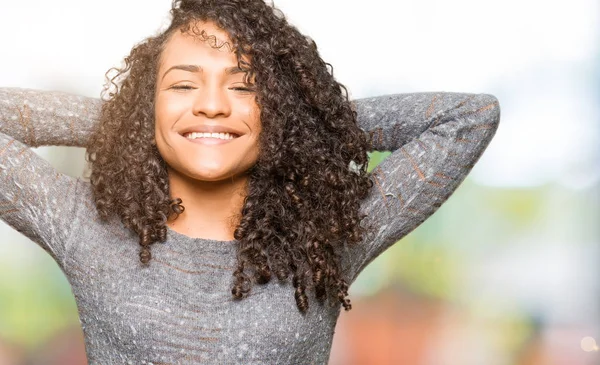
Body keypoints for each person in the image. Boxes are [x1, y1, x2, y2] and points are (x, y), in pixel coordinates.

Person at [0, 0, 501, 363]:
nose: (213, 104)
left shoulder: (324, 236)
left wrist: (305, 117)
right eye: (182, 84)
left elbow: (468, 118)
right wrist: (138, 120)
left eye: (244, 86)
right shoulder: (83, 224)